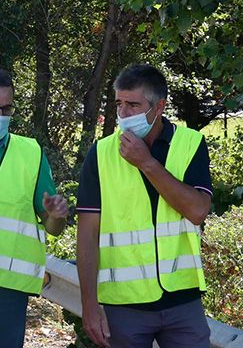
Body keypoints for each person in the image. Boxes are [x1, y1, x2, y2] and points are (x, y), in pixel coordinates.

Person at [76, 64, 213, 348]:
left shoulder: (190, 144)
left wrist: (147, 163)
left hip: (182, 301)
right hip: (124, 305)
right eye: (119, 104)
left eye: (133, 105)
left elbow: (197, 211)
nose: (123, 114)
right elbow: (87, 235)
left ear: (158, 107)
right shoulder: (100, 154)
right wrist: (89, 306)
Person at [0, 68, 69, 348]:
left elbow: (53, 226)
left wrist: (56, 215)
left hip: (7, 289)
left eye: (6, 109)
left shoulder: (30, 153)